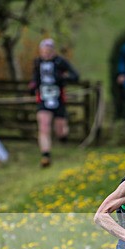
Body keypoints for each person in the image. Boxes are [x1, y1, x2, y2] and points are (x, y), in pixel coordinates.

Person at [29, 38, 79, 168]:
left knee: (60, 131)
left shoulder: (60, 62)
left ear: (53, 51)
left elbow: (75, 76)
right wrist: (33, 85)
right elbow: (35, 78)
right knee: (44, 126)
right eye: (44, 51)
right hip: (43, 99)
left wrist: (63, 78)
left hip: (58, 100)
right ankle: (45, 156)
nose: (46, 53)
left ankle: (63, 134)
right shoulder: (37, 62)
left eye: (48, 51)